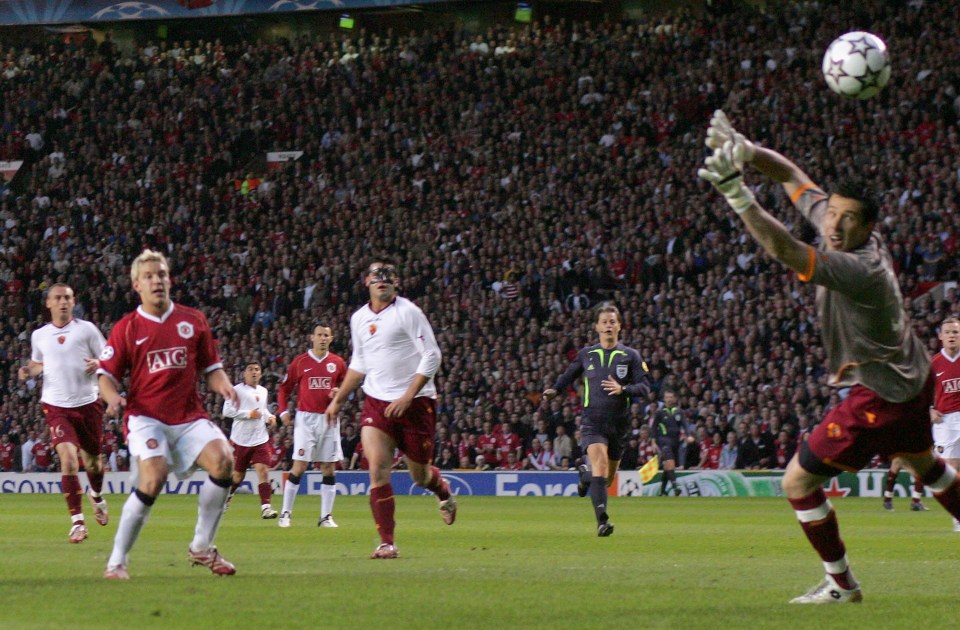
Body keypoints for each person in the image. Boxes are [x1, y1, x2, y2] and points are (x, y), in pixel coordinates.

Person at [699, 110, 960, 604]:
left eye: (848, 218)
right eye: (832, 213)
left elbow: (786, 250)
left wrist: (737, 190)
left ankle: (842, 586)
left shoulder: (860, 270)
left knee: (797, 481)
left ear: (869, 226)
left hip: (880, 395)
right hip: (912, 375)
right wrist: (748, 149)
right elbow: (794, 177)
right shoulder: (841, 225)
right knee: (927, 466)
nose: (834, 224)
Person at [97, 249, 240, 579]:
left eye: (161, 274)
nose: (156, 280)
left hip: (188, 416)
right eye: (148, 276)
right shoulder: (127, 327)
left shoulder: (193, 320)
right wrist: (112, 397)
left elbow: (211, 368)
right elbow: (105, 375)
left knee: (224, 461)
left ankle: (202, 548)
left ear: (169, 279)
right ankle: (117, 561)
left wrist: (224, 385)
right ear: (136, 285)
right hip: (145, 416)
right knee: (154, 477)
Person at [325, 260, 455, 559]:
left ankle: (443, 491)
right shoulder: (358, 318)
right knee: (377, 467)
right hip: (377, 401)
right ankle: (387, 542)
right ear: (367, 282)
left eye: (388, 277)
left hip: (416, 402)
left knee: (419, 476)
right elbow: (359, 363)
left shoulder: (408, 312)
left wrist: (409, 395)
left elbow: (432, 355)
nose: (381, 281)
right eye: (376, 277)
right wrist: (338, 400)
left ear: (397, 283)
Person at [543, 303, 650, 536]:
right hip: (593, 422)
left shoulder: (631, 356)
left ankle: (584, 475)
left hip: (619, 425)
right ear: (597, 327)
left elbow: (645, 388)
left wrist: (623, 389)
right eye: (605, 322)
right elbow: (568, 375)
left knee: (606, 479)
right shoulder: (586, 354)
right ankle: (602, 521)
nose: (609, 325)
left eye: (613, 321)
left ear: (619, 326)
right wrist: (555, 389)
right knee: (600, 467)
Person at [18, 283, 109, 543]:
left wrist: (99, 362)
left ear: (73, 302)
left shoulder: (87, 330)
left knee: (93, 463)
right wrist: (28, 371)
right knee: (68, 460)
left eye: (67, 297)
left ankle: (97, 496)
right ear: (48, 303)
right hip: (56, 405)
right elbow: (38, 364)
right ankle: (77, 523)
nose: (63, 302)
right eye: (58, 298)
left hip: (88, 403)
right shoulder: (40, 335)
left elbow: (110, 356)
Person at [275, 322, 347, 528]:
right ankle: (285, 513)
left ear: (331, 339)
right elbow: (284, 389)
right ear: (312, 338)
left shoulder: (338, 363)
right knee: (300, 465)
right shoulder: (300, 362)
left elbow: (343, 388)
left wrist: (338, 394)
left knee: (328, 468)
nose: (323, 338)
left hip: (329, 418)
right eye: (319, 335)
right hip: (306, 419)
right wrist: (283, 411)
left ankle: (326, 517)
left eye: (326, 335)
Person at [222, 360, 279, 519]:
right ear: (244, 373)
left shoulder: (263, 391)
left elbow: (262, 411)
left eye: (257, 369)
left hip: (260, 439)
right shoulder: (236, 390)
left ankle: (266, 507)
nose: (254, 372)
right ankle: (226, 497)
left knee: (263, 471)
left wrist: (270, 417)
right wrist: (249, 414)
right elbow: (227, 411)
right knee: (238, 476)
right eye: (250, 369)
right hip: (241, 440)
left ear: (260, 374)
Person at [930, 316, 960, 530]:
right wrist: (928, 409)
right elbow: (919, 393)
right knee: (951, 470)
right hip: (945, 422)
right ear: (941, 336)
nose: (952, 336)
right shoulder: (933, 364)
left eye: (956, 332)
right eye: (948, 332)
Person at [652, 388, 685, 496]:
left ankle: (662, 491)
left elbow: (685, 425)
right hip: (663, 441)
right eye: (667, 397)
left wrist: (688, 435)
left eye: (671, 397)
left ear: (675, 398)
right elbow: (653, 427)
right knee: (670, 462)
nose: (669, 399)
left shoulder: (679, 412)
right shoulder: (660, 412)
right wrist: (653, 442)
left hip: (675, 441)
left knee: (667, 466)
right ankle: (676, 487)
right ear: (664, 399)